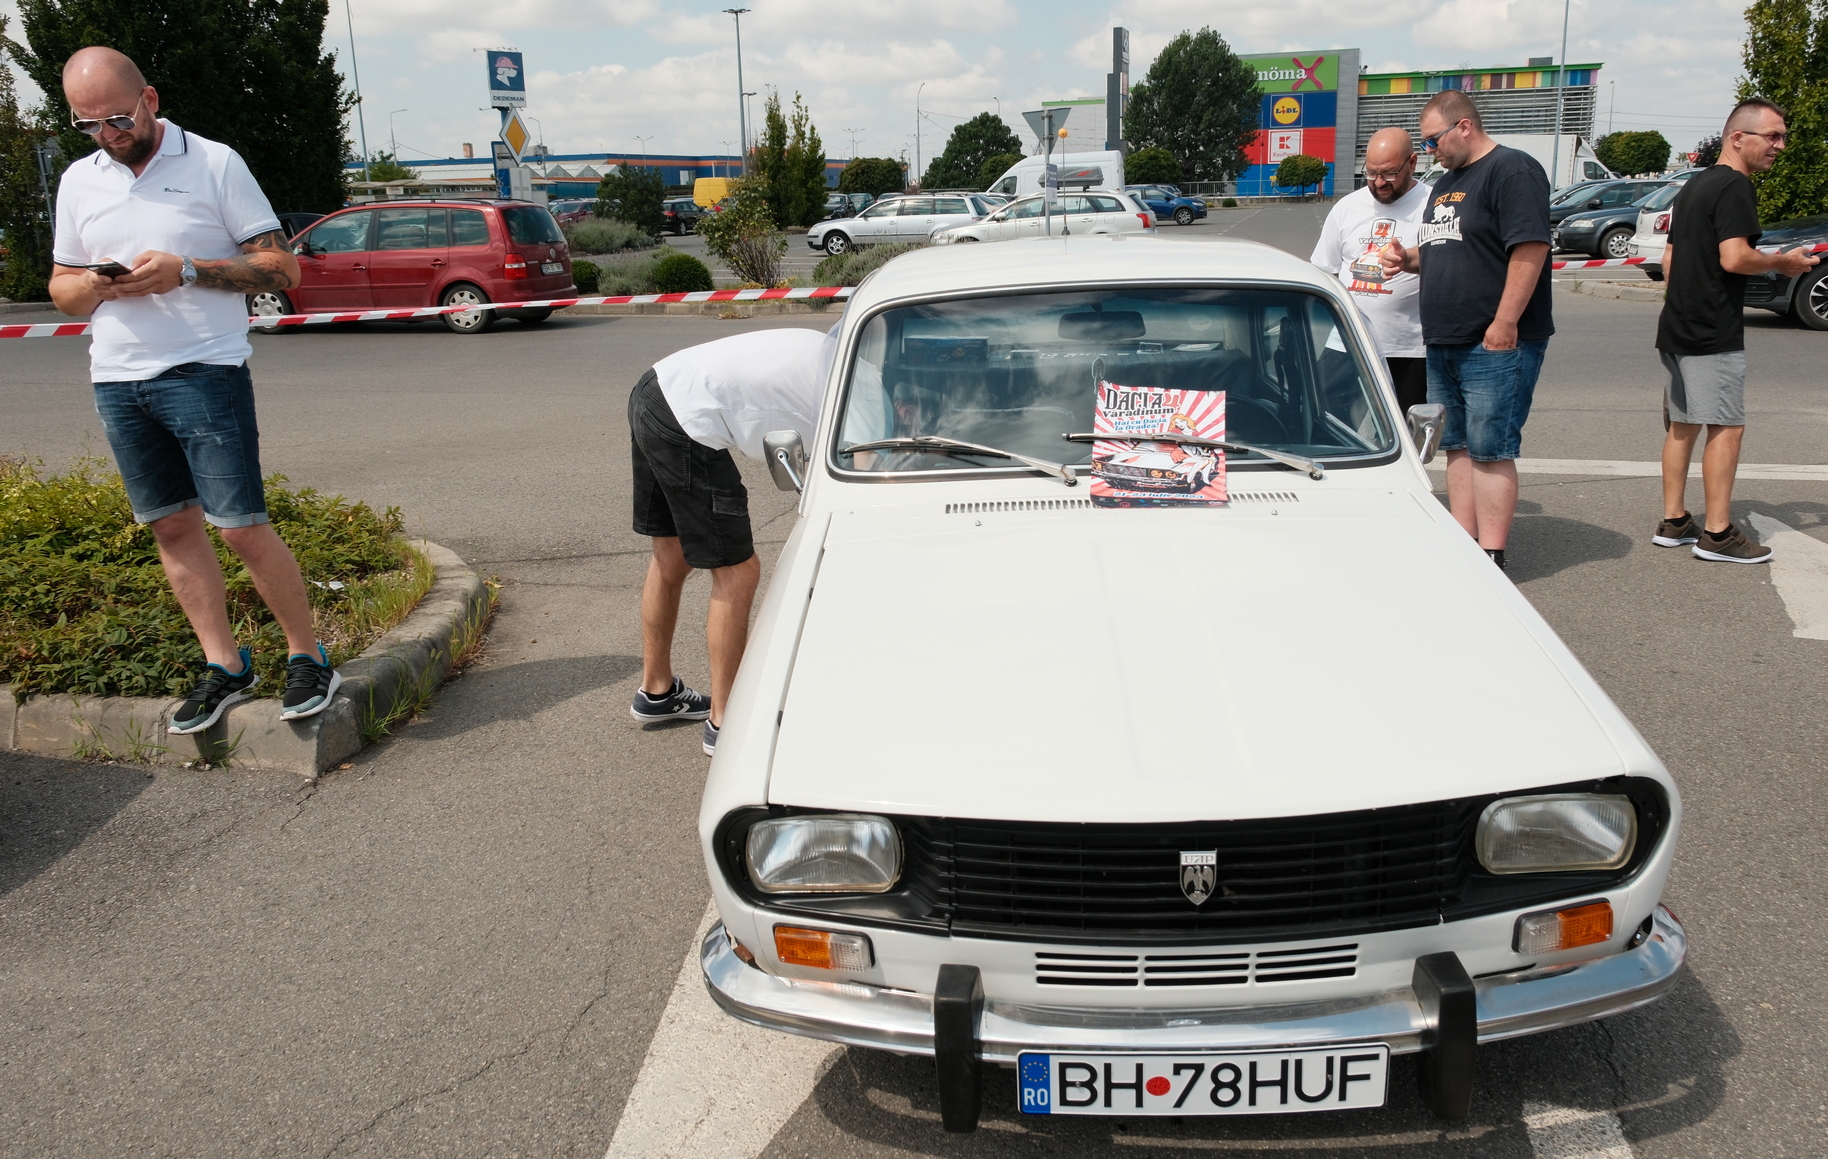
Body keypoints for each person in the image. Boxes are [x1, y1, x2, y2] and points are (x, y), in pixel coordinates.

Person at [48, 47, 339, 734]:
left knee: (239, 526)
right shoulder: (78, 181)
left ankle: (308, 654)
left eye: (118, 118)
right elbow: (60, 289)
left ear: (149, 98)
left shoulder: (214, 162)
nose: (107, 135)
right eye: (88, 126)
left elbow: (281, 270)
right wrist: (91, 284)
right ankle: (226, 665)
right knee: (171, 527)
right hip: (118, 377)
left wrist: (186, 271)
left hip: (204, 370)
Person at [628, 327, 835, 756]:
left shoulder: (833, 348)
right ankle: (727, 723)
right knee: (739, 572)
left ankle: (657, 692)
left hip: (654, 388)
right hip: (689, 418)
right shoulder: (859, 392)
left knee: (671, 557)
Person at [1380, 89, 1553, 571]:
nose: (1430, 149)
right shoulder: (1446, 184)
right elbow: (1444, 247)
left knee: (1489, 446)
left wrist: (1505, 322)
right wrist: (1407, 259)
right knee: (1454, 443)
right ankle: (1464, 544)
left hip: (1491, 339)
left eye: (1434, 139)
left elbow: (1530, 249)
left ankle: (1491, 554)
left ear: (1464, 126)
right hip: (1445, 337)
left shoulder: (1511, 170)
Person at [1653, 97, 1818, 563]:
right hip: (1712, 330)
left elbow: (1669, 259)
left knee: (1682, 425)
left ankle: (1674, 521)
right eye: (1773, 136)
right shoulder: (1735, 187)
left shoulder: (1694, 186)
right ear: (1737, 138)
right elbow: (1735, 257)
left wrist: (1684, 301)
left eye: (1782, 136)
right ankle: (1718, 534)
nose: (1779, 146)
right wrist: (1782, 262)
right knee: (1727, 426)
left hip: (1678, 325)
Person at [1310, 127, 1431, 413]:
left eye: (1389, 174)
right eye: (1371, 173)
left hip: (1410, 348)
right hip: (1349, 343)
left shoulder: (1433, 204)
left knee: (1406, 434)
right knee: (1323, 420)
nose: (1378, 182)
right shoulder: (1347, 208)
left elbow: (1447, 265)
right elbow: (1323, 271)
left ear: (1412, 163)